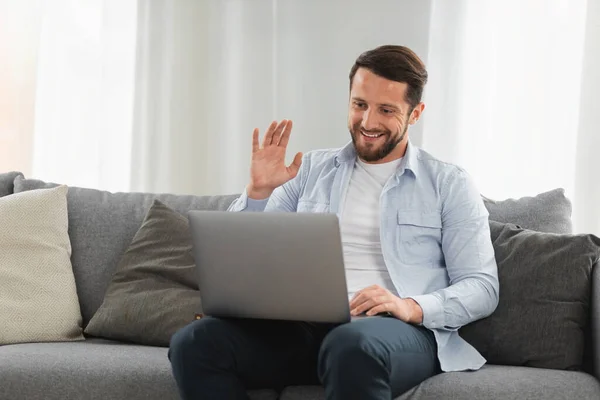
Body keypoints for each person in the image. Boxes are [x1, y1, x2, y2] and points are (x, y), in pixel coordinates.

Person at [169, 44, 499, 400]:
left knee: (350, 345)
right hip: (303, 331)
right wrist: (259, 192)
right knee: (194, 342)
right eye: (360, 105)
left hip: (396, 333)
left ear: (415, 113)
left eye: (386, 110)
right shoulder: (309, 170)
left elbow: (482, 287)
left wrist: (412, 306)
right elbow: (242, 259)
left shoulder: (449, 183)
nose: (368, 122)